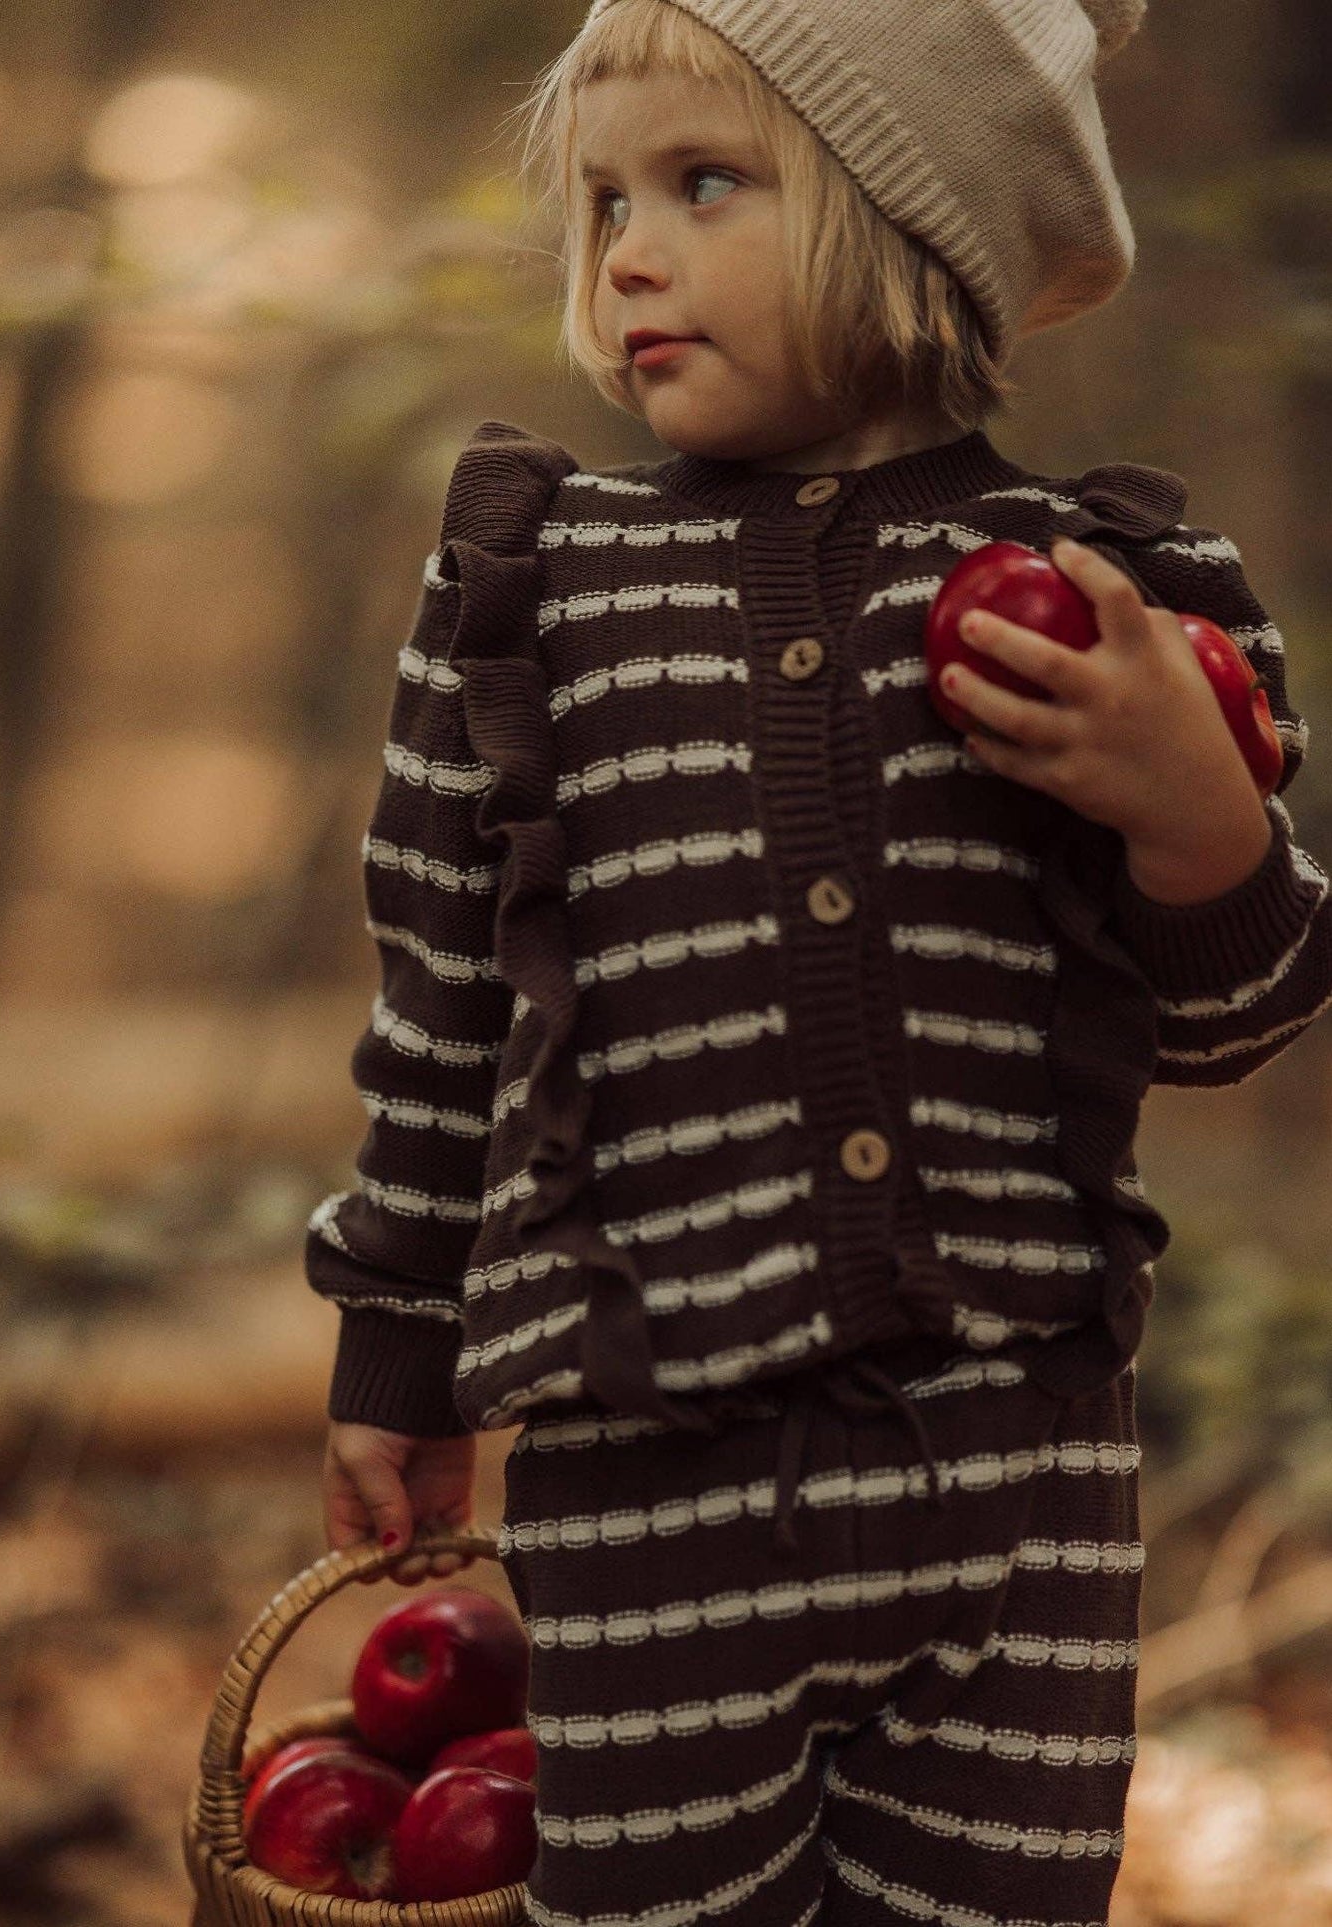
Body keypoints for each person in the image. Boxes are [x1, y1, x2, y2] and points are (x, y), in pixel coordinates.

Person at [313, 1, 1332, 1920]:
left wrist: (1194, 814)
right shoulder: (533, 597)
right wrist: (401, 1344)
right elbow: (439, 1013)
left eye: (705, 183)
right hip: (650, 1486)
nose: (627, 254)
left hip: (1022, 1497)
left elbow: (1233, 1013)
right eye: (603, 201)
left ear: (914, 216)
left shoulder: (1107, 605)